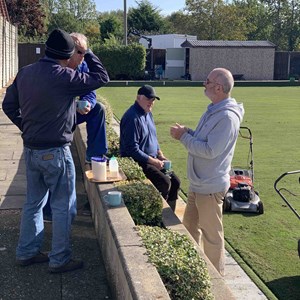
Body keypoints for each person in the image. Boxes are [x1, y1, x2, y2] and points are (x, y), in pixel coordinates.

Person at [2, 28, 109, 273]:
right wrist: (88, 52)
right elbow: (101, 77)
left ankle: (26, 252)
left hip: (31, 149)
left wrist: (26, 126)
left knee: (33, 204)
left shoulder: (26, 73)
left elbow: (8, 105)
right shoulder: (65, 77)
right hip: (56, 152)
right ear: (68, 53)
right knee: (63, 207)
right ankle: (59, 259)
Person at [170, 68, 244, 276]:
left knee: (212, 238)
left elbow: (210, 150)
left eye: (208, 81)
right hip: (199, 184)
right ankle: (194, 272)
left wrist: (183, 138)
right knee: (190, 228)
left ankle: (216, 281)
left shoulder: (227, 117)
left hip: (210, 187)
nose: (205, 84)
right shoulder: (214, 109)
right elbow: (204, 140)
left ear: (218, 88)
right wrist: (188, 132)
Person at [43, 32, 107, 220]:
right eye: (79, 52)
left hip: (72, 114)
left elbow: (92, 89)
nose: (82, 57)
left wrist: (87, 103)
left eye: (84, 53)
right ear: (68, 51)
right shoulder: (55, 67)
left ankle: (95, 157)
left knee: (99, 110)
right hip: (53, 122)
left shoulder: (83, 64)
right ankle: (48, 210)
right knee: (52, 168)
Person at [120, 85, 180, 211]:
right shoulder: (132, 117)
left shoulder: (148, 113)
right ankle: (158, 213)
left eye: (153, 100)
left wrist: (160, 154)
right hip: (140, 161)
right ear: (138, 98)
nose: (151, 102)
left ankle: (170, 213)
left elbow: (153, 137)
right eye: (148, 99)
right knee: (164, 182)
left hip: (153, 159)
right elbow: (132, 149)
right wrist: (153, 161)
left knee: (175, 181)